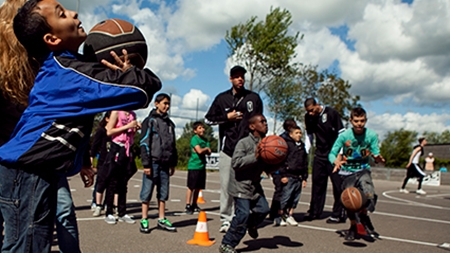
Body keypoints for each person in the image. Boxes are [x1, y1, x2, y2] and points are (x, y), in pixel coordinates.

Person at [0, 0, 162, 251]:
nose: (74, 12)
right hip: (26, 172)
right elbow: (141, 90)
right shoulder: (67, 73)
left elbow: (78, 117)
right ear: (51, 39)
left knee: (27, 245)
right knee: (28, 247)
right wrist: (130, 70)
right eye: (62, 14)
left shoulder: (65, 68)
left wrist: (83, 158)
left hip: (30, 171)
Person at [205, 65, 263, 232]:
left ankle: (247, 216)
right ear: (230, 79)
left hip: (249, 150)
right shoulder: (222, 98)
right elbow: (209, 119)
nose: (240, 79)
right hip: (228, 149)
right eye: (236, 76)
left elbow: (261, 121)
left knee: (249, 185)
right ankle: (226, 218)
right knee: (226, 186)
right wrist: (226, 117)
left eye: (242, 76)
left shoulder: (253, 98)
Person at [329, 107, 385, 240]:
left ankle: (364, 215)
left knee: (369, 194)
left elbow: (376, 153)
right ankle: (353, 226)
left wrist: (378, 159)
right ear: (351, 121)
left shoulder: (371, 135)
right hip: (347, 172)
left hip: (363, 169)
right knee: (349, 200)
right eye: (356, 121)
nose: (359, 124)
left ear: (366, 120)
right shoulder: (344, 136)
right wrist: (335, 162)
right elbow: (332, 153)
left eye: (362, 121)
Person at [219, 114, 270, 253]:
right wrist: (255, 156)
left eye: (266, 121)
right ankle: (227, 244)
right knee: (242, 215)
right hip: (240, 184)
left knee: (264, 209)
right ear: (252, 126)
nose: (265, 124)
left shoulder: (266, 143)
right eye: (262, 121)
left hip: (254, 185)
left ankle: (252, 225)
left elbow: (266, 164)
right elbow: (236, 162)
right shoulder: (244, 143)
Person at [139, 93, 178, 233]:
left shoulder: (170, 124)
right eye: (164, 103)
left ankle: (162, 219)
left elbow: (173, 144)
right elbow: (144, 143)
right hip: (153, 162)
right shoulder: (149, 121)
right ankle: (144, 219)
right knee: (147, 192)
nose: (166, 106)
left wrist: (173, 162)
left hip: (165, 163)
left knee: (163, 192)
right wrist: (146, 164)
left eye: (168, 104)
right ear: (156, 104)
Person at [304, 98, 346, 223]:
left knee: (337, 185)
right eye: (308, 111)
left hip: (333, 155)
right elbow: (309, 135)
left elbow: (341, 134)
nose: (311, 113)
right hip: (320, 154)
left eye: (312, 110)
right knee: (317, 184)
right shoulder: (308, 117)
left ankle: (338, 213)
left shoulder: (332, 113)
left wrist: (340, 154)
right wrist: (305, 151)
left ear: (317, 105)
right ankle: (315, 211)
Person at [102, 110, 140, 225]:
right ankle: (109, 212)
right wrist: (127, 126)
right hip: (116, 147)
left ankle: (122, 211)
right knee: (112, 181)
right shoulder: (116, 112)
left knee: (123, 182)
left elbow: (130, 133)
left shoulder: (132, 114)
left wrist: (135, 129)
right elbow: (109, 131)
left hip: (127, 149)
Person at [278, 125, 308, 226]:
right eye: (297, 133)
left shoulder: (302, 146)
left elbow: (305, 163)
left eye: (300, 133)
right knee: (285, 197)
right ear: (291, 134)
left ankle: (290, 215)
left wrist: (305, 177)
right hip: (289, 176)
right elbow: (281, 161)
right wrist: (283, 175)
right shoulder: (287, 145)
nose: (299, 135)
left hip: (298, 177)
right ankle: (280, 215)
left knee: (295, 198)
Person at [269, 118, 297, 224]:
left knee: (287, 193)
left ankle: (282, 213)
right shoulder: (282, 140)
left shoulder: (291, 140)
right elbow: (280, 158)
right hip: (279, 171)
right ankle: (275, 214)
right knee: (279, 192)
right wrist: (281, 173)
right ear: (289, 127)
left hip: (285, 171)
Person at [185, 121, 211, 214]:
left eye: (203, 127)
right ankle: (188, 204)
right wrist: (205, 149)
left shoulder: (205, 140)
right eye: (200, 128)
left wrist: (205, 150)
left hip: (202, 166)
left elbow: (209, 151)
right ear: (195, 130)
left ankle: (194, 204)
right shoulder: (194, 139)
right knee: (191, 186)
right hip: (194, 166)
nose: (202, 129)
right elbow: (199, 151)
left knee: (198, 187)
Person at [90, 111, 112, 216]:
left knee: (110, 183)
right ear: (107, 119)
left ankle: (108, 203)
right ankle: (95, 202)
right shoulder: (102, 131)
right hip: (102, 160)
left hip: (112, 161)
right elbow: (95, 145)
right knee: (100, 182)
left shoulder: (115, 132)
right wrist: (91, 157)